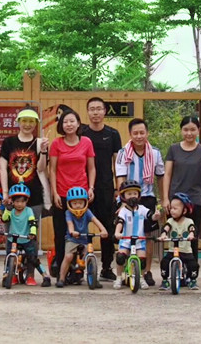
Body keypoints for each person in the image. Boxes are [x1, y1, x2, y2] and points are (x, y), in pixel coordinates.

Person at [115, 117, 164, 286]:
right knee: (125, 233)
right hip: (127, 196)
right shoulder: (123, 153)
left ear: (147, 133)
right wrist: (122, 200)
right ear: (130, 134)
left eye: (142, 132)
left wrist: (163, 199)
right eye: (135, 133)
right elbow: (120, 176)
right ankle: (124, 273)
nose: (139, 136)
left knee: (147, 236)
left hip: (147, 196)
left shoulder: (155, 153)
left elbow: (160, 177)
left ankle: (146, 271)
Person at [49, 109, 96, 276]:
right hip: (62, 193)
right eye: (65, 122)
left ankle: (79, 268)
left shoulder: (87, 142)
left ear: (78, 123)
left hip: (81, 196)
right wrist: (54, 193)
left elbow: (91, 167)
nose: (69, 124)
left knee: (80, 232)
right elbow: (52, 170)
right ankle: (62, 268)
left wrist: (91, 188)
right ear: (61, 125)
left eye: (72, 121)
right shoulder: (56, 143)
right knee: (61, 232)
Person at [162, 115, 201, 260]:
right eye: (186, 130)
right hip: (175, 201)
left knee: (192, 238)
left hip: (194, 201)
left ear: (198, 131)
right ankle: (174, 271)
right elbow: (167, 174)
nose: (189, 133)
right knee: (174, 237)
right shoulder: (173, 149)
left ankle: (192, 274)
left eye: (193, 129)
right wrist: (166, 198)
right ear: (181, 131)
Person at [81, 97, 122, 282]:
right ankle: (80, 265)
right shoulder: (81, 132)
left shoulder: (113, 134)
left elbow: (117, 163)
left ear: (105, 111)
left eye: (99, 109)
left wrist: (118, 188)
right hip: (83, 187)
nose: (96, 112)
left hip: (106, 187)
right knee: (81, 225)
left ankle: (106, 267)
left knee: (107, 227)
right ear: (87, 112)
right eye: (92, 109)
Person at [0, 108, 48, 241]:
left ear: (36, 123)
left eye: (31, 121)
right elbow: (3, 168)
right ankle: (10, 260)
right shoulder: (8, 142)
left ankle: (31, 262)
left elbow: (41, 168)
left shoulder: (39, 143)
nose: (27, 124)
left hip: (34, 195)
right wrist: (5, 193)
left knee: (31, 234)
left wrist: (43, 151)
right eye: (24, 121)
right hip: (11, 195)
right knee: (10, 234)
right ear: (18, 122)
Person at [56, 186, 107, 288]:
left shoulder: (87, 212)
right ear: (69, 204)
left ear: (85, 202)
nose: (78, 206)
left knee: (89, 256)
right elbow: (70, 224)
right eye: (74, 203)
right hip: (72, 239)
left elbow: (95, 220)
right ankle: (61, 278)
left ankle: (94, 278)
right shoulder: (68, 213)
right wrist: (72, 231)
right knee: (68, 256)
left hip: (85, 239)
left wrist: (103, 230)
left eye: (80, 203)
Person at [1, 183, 51, 287]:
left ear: (26, 201)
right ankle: (7, 275)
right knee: (9, 257)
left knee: (33, 259)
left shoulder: (29, 211)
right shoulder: (11, 210)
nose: (19, 204)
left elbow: (32, 223)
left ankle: (45, 276)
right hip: (13, 239)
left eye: (22, 201)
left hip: (26, 239)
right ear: (12, 201)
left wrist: (32, 233)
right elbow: (5, 219)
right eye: (17, 201)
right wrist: (7, 209)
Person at [157, 192, 199, 290]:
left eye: (175, 209)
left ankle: (192, 280)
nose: (172, 211)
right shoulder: (170, 221)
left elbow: (192, 228)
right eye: (171, 208)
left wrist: (191, 234)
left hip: (185, 251)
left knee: (193, 264)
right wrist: (163, 235)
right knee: (164, 262)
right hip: (173, 250)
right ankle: (165, 280)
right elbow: (166, 228)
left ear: (184, 211)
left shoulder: (188, 221)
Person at [113, 179, 151, 290]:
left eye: (135, 193)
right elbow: (120, 222)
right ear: (124, 196)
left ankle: (142, 278)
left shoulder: (142, 209)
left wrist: (156, 216)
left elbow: (150, 215)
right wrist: (117, 233)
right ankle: (119, 278)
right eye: (129, 194)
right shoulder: (123, 211)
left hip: (139, 240)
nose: (132, 196)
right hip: (125, 240)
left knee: (142, 260)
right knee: (120, 257)